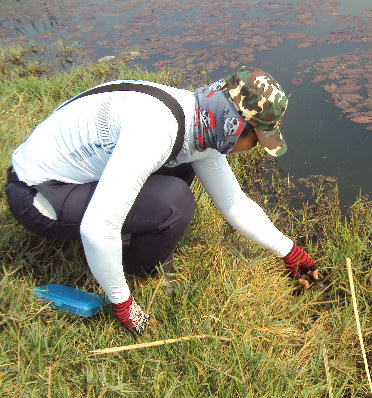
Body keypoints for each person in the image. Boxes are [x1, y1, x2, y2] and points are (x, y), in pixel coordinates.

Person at [4, 66, 319, 334]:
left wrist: (288, 251)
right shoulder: (156, 130)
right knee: (175, 201)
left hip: (72, 177)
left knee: (182, 168)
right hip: (39, 195)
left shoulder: (194, 118)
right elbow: (97, 229)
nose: (254, 148)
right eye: (258, 138)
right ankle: (139, 268)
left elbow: (233, 201)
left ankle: (136, 241)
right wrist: (122, 303)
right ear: (233, 124)